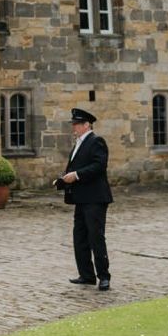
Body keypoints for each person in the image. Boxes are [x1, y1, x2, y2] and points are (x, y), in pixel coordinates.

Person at [56, 108, 113, 291]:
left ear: (87, 125)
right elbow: (76, 168)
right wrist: (63, 180)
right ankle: (87, 275)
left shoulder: (96, 141)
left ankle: (103, 277)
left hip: (95, 198)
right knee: (79, 237)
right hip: (81, 198)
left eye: (77, 124)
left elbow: (99, 166)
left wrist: (77, 175)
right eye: (73, 124)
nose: (74, 127)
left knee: (96, 237)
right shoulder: (78, 144)